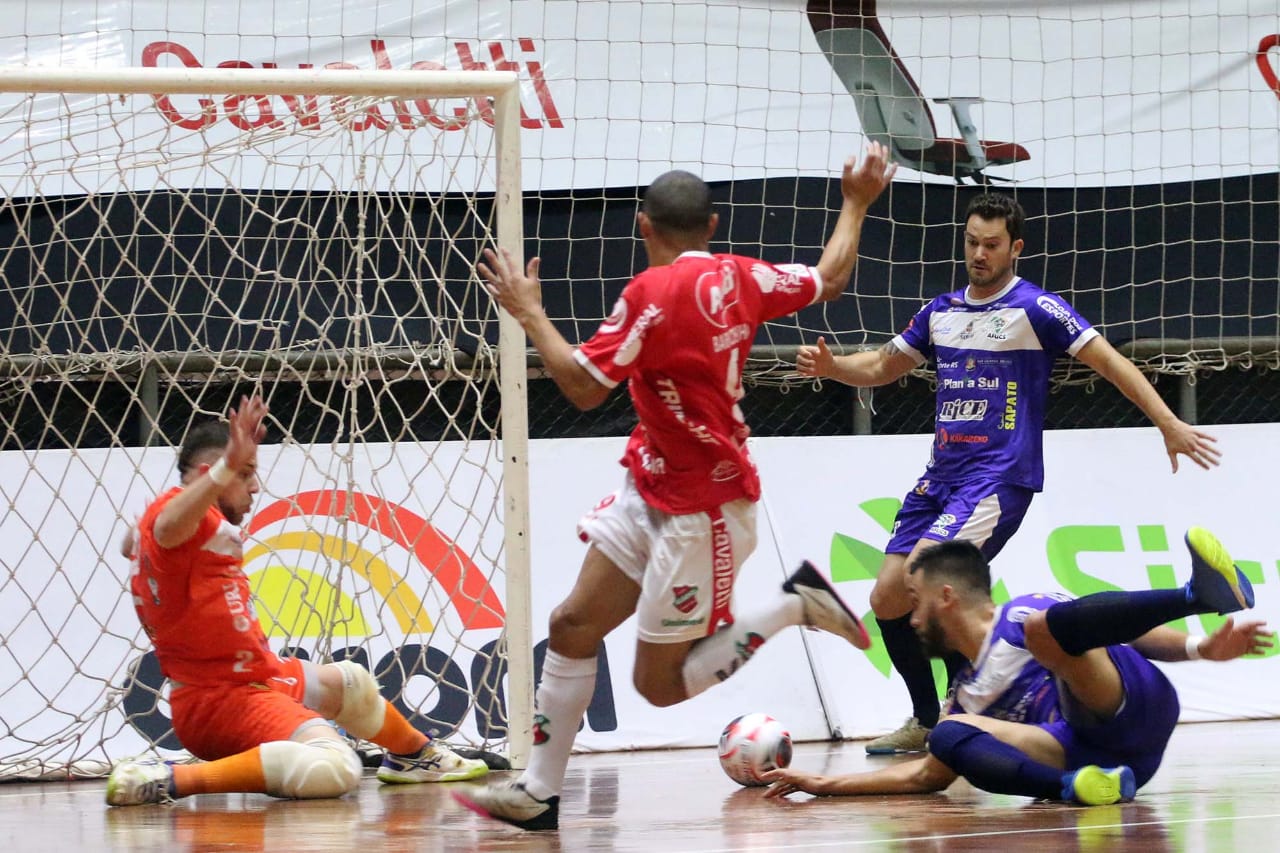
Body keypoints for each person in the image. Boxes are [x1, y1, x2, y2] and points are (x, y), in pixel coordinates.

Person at [452, 143, 898, 831]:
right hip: (650, 485)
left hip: (702, 510)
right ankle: (538, 793)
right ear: (712, 226)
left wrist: (529, 312)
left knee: (656, 687)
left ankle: (792, 606)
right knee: (571, 625)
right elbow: (831, 278)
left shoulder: (649, 296)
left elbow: (582, 388)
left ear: (643, 225)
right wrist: (856, 201)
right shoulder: (742, 276)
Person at [796, 192, 1222, 754]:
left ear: (1014, 247)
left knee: (925, 582)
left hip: (996, 479)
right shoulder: (942, 310)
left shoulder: (1037, 309)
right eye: (972, 242)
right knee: (887, 600)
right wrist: (834, 368)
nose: (979, 254)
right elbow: (881, 364)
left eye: (991, 245)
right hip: (939, 479)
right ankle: (927, 719)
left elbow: (1111, 362)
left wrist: (1167, 422)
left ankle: (967, 710)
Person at [105, 395, 489, 806]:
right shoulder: (178, 520)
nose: (254, 486)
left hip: (253, 676)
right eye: (245, 474)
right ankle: (167, 779)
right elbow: (165, 528)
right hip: (220, 701)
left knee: (351, 682)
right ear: (208, 474)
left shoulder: (178, 520)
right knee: (335, 767)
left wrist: (217, 478)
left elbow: (135, 540)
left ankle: (414, 756)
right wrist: (226, 467)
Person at [762, 530, 1269, 805]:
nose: (911, 620)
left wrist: (1200, 648)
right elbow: (926, 776)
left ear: (946, 597)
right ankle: (1074, 789)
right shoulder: (964, 695)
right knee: (949, 732)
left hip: (1131, 706)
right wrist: (825, 785)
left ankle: (1196, 596)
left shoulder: (1022, 614)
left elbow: (1124, 632)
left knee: (1044, 629)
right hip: (1099, 760)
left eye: (915, 602)